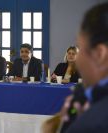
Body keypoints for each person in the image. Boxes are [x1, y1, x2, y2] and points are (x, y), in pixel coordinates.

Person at [44, 2, 108, 133]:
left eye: (81, 49)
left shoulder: (91, 124)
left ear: (99, 54)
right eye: (70, 53)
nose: (76, 59)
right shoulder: (82, 100)